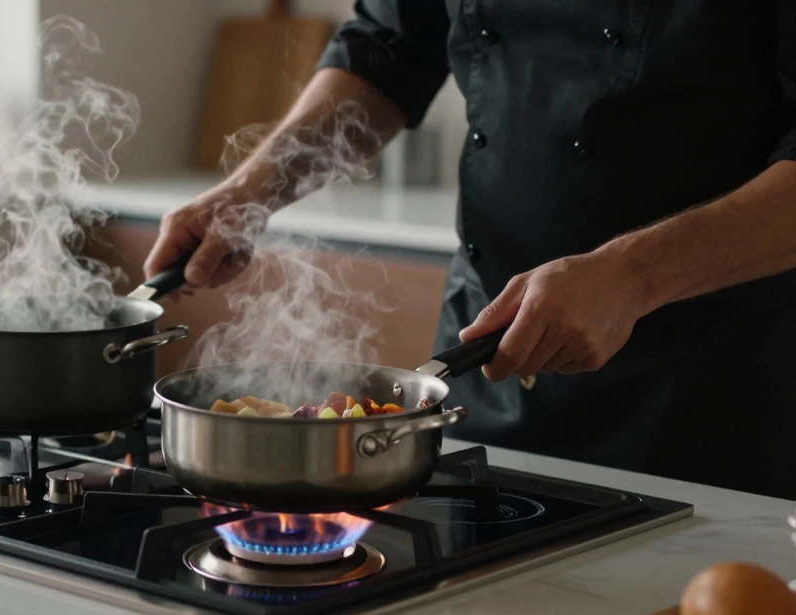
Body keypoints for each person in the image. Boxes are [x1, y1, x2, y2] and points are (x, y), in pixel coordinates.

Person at [143, 1, 796, 497]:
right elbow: (387, 49)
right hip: (484, 366)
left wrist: (632, 276)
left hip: (712, 392)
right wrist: (247, 193)